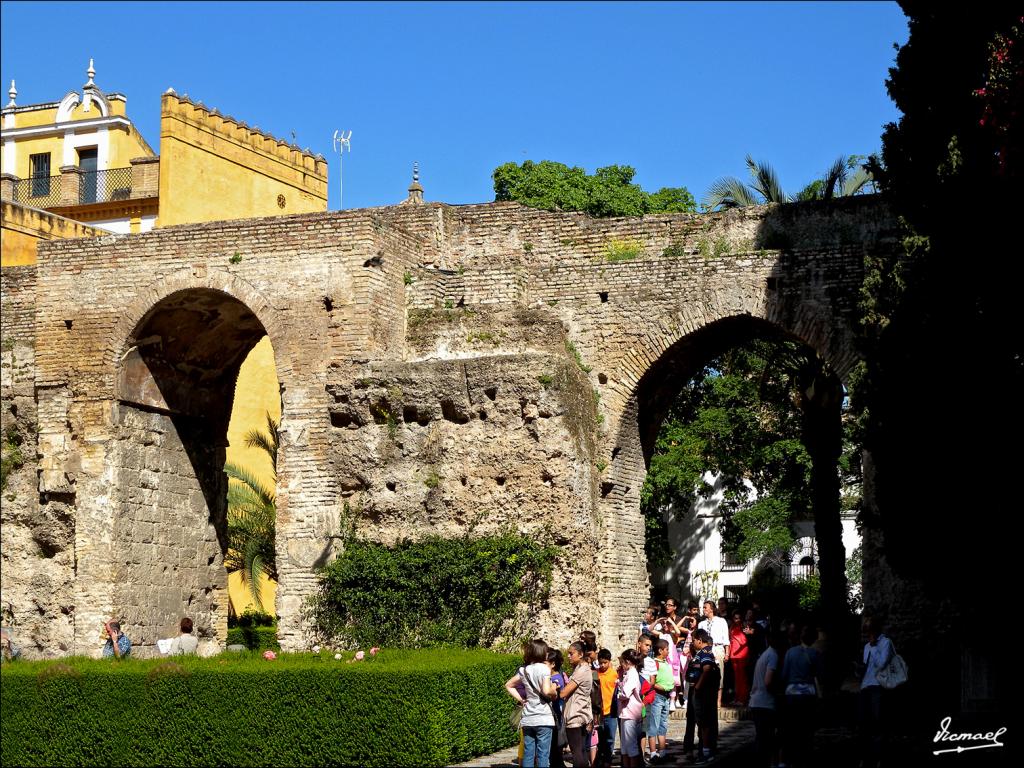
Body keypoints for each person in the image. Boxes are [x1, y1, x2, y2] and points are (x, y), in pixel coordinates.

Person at [506, 639, 558, 768]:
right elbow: (546, 690)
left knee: (528, 754)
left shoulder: (524, 670)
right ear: (542, 652)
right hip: (543, 717)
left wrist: (522, 700)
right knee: (543, 755)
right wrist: (554, 691)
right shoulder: (544, 669)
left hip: (528, 717)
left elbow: (509, 685)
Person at [780, 624, 824, 767]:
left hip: (791, 694)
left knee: (792, 728)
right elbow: (819, 674)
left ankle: (790, 757)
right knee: (807, 729)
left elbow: (784, 674)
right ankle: (805, 756)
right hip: (808, 694)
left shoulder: (790, 652)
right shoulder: (815, 654)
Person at [859, 616, 894, 768]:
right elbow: (867, 668)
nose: (867, 634)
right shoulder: (866, 646)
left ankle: (880, 758)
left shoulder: (886, 643)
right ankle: (865, 757)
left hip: (878, 687)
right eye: (865, 631)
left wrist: (873, 647)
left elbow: (881, 664)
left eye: (869, 630)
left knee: (878, 723)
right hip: (865, 686)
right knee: (864, 724)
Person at [749, 630, 786, 768]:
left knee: (762, 739)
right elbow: (768, 681)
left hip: (757, 701)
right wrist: (779, 693)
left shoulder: (766, 654)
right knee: (767, 740)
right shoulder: (773, 656)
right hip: (765, 703)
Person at [687, 629, 720, 764]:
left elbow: (706, 669)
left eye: (694, 640)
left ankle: (706, 753)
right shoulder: (700, 653)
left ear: (699, 640)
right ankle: (704, 750)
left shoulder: (705, 652)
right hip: (699, 692)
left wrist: (698, 686)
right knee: (701, 722)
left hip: (703, 694)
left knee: (704, 722)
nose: (693, 643)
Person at [560, 641, 594, 768]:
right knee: (581, 751)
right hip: (580, 712)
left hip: (576, 714)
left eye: (571, 653)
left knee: (577, 752)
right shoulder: (581, 669)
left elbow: (564, 693)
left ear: (580, 654)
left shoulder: (582, 671)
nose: (568, 656)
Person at [645, 638, 675, 763]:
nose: (668, 651)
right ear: (660, 650)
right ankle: (653, 754)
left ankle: (662, 752)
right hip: (657, 697)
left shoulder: (666, 662)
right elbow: (650, 682)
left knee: (663, 725)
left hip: (666, 697)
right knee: (654, 726)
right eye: (667, 649)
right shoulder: (654, 663)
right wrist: (660, 687)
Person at [616, 648, 644, 768]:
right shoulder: (629, 674)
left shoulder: (632, 674)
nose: (621, 665)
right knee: (625, 747)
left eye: (622, 662)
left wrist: (618, 694)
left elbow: (625, 694)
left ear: (627, 661)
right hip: (626, 712)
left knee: (631, 746)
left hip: (630, 713)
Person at [698, 600, 729, 707]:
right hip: (705, 649)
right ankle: (707, 699)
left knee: (719, 674)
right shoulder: (701, 624)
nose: (704, 609)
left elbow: (726, 638)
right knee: (705, 673)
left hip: (718, 647)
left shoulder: (721, 621)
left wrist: (727, 653)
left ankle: (718, 700)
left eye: (705, 607)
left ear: (711, 609)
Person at [596, 648, 619, 768]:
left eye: (605, 662)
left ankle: (608, 760)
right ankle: (599, 759)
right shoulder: (596, 673)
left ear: (609, 661)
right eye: (601, 663)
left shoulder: (614, 674)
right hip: (599, 712)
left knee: (610, 738)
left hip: (611, 711)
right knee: (599, 739)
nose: (602, 665)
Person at [727, 610, 751, 706]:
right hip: (733, 654)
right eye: (735, 618)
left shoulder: (743, 626)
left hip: (742, 654)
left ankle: (742, 699)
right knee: (736, 678)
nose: (737, 620)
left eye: (739, 618)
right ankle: (737, 698)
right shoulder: (732, 627)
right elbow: (729, 639)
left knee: (742, 677)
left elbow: (746, 639)